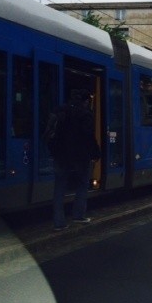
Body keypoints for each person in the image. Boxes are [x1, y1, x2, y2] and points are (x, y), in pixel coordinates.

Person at [49, 89, 100, 231]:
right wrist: (96, 153)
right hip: (80, 156)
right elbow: (88, 136)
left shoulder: (60, 110)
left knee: (59, 187)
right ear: (86, 101)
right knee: (82, 184)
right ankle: (78, 215)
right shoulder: (85, 114)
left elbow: (50, 132)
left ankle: (59, 223)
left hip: (60, 155)